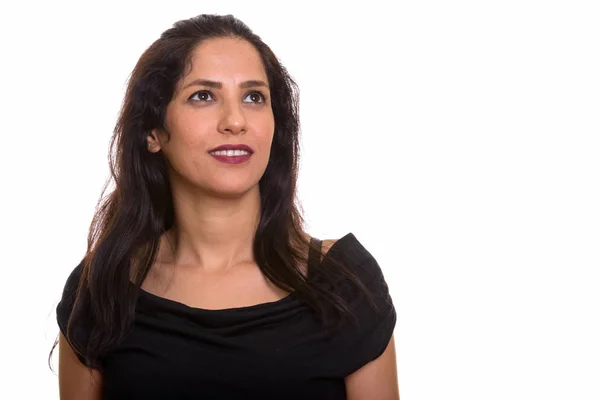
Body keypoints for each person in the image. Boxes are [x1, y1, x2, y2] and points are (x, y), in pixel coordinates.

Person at [50, 13, 398, 399]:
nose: (235, 121)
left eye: (254, 97)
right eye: (203, 96)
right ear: (153, 132)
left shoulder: (345, 283)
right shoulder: (101, 288)